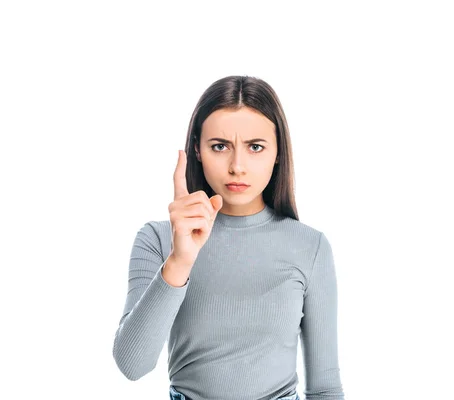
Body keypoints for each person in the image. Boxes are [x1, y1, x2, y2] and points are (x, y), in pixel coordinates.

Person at [112, 75, 345, 400]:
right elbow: (132, 365)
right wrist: (180, 261)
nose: (237, 166)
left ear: (278, 152)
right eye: (220, 146)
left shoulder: (310, 246)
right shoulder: (157, 239)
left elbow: (324, 387)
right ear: (197, 149)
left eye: (255, 147)